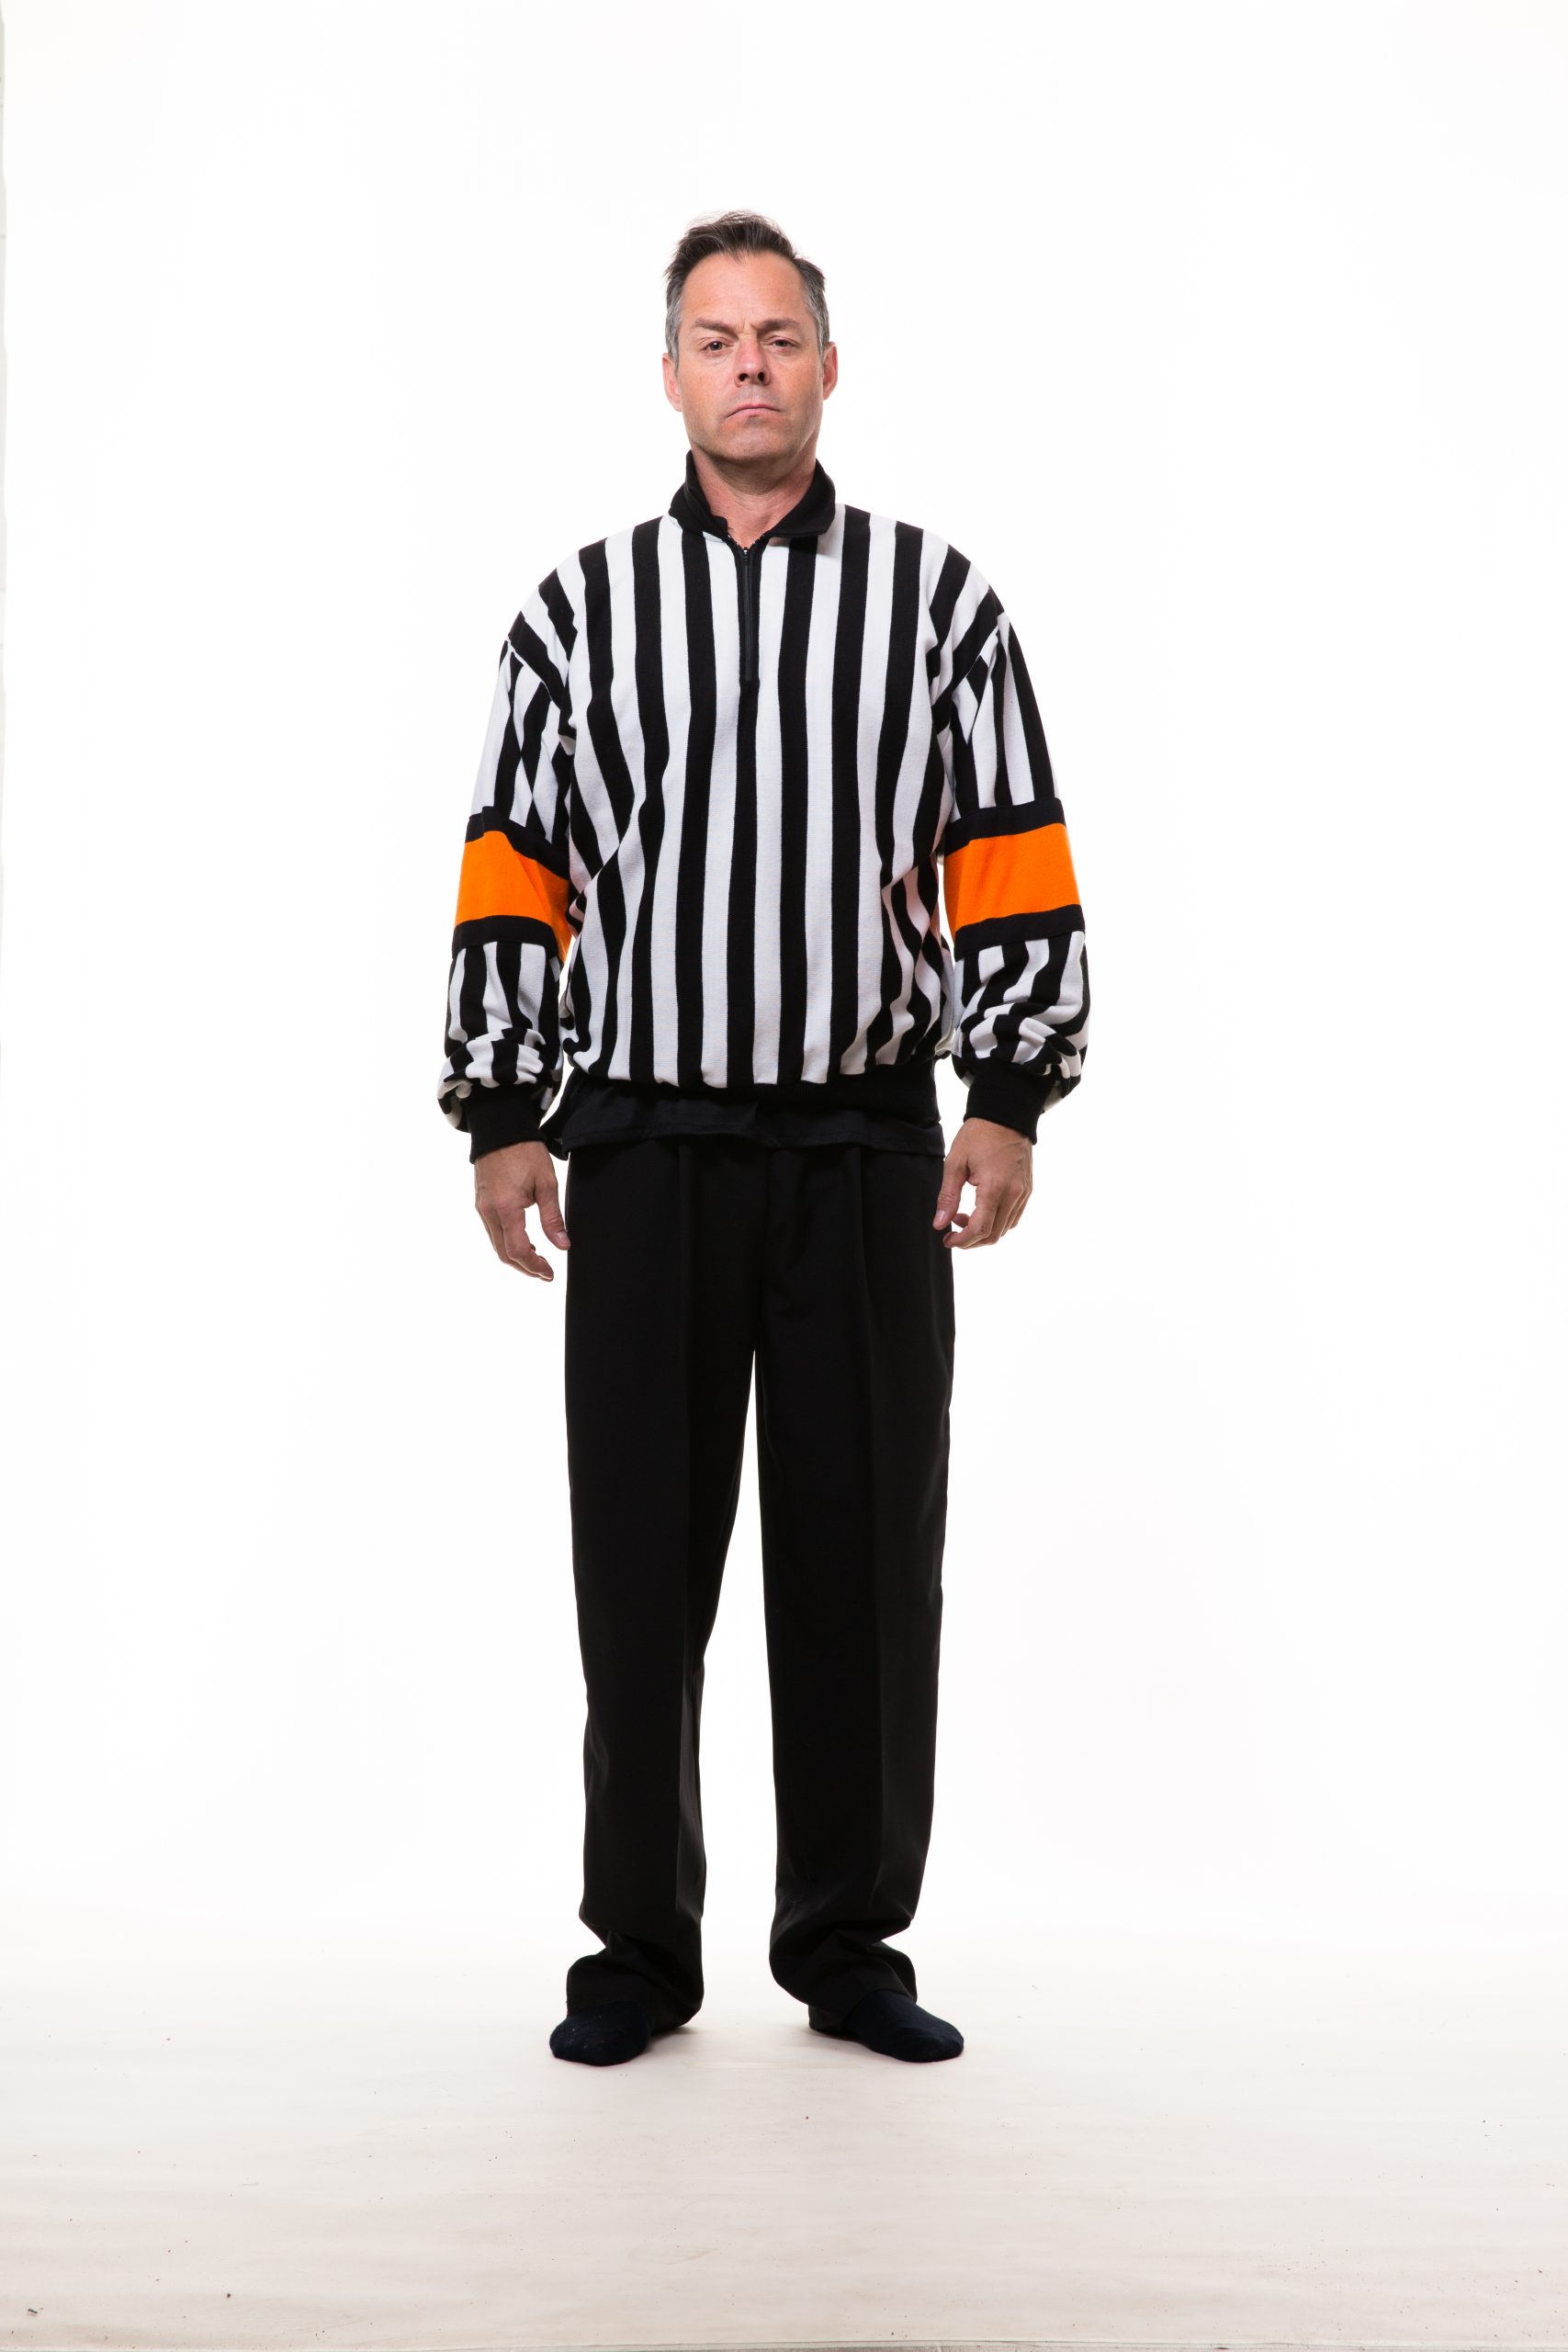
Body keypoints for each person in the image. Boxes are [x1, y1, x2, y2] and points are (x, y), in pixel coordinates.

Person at [435, 209, 1090, 2068]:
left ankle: (847, 1940)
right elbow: (515, 863)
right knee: (639, 1567)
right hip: (643, 1145)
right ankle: (639, 1948)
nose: (748, 365)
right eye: (715, 338)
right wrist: (503, 1109)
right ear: (669, 376)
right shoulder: (577, 612)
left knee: (862, 1557)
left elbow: (1010, 850)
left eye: (778, 336)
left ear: (827, 367)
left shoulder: (935, 604)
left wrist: (1007, 1095)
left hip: (863, 1148)